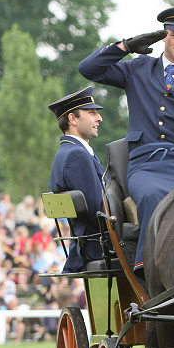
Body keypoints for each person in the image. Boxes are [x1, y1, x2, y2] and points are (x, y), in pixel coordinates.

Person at [78, 6, 174, 267]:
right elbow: (89, 68)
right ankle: (150, 264)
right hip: (146, 163)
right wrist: (126, 45)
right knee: (151, 196)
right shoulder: (139, 68)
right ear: (164, 36)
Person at [46, 86, 106, 273]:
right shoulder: (76, 155)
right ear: (73, 119)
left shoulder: (68, 152)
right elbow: (98, 212)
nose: (99, 118)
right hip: (100, 248)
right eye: (91, 113)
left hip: (90, 245)